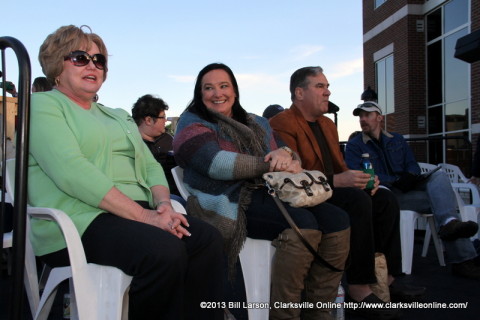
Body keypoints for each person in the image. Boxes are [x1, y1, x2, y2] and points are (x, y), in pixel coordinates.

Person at [28, 25, 224, 320]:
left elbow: (148, 166)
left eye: (99, 60)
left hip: (132, 213)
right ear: (57, 64)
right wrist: (146, 217)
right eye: (80, 58)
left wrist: (162, 206)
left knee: (207, 239)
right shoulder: (42, 106)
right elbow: (71, 170)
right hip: (79, 219)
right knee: (164, 251)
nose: (93, 65)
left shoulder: (116, 115)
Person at [173, 63, 350, 320]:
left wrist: (286, 156)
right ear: (200, 94)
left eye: (224, 86)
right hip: (228, 199)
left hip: (271, 192)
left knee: (338, 220)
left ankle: (318, 313)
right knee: (304, 224)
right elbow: (214, 163)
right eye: (208, 88)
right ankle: (285, 315)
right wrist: (270, 163)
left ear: (234, 90)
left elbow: (291, 154)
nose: (217, 93)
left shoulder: (257, 122)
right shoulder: (191, 122)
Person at [270, 66, 424, 319]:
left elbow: (341, 167)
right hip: (307, 194)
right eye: (320, 86)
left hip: (334, 188)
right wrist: (339, 181)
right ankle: (358, 287)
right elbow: (291, 174)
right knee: (356, 200)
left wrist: (364, 180)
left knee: (384, 198)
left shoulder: (327, 125)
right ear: (299, 92)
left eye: (327, 86)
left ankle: (388, 279)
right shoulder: (281, 123)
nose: (327, 91)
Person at [345, 101, 480, 280]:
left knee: (439, 176)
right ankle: (463, 259)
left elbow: (412, 165)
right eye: (360, 116)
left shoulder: (397, 140)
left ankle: (448, 223)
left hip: (409, 188)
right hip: (387, 195)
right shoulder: (355, 145)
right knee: (444, 202)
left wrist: (410, 175)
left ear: (379, 118)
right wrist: (396, 180)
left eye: (367, 115)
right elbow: (360, 175)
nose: (363, 119)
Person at [131, 94, 183, 203]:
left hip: (182, 190)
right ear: (149, 120)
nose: (166, 121)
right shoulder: (132, 145)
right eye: (163, 117)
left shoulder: (168, 139)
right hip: (155, 198)